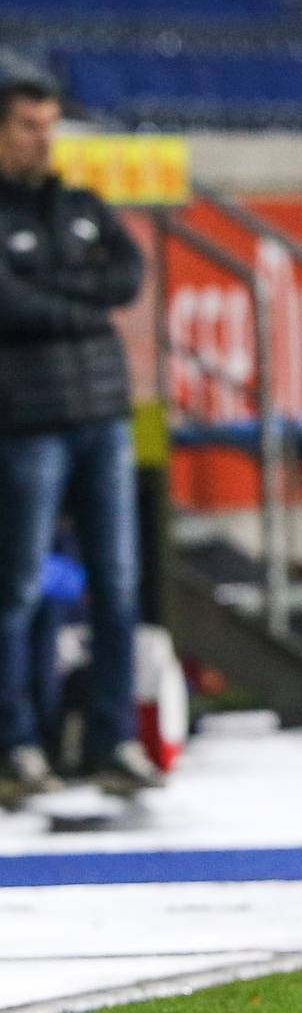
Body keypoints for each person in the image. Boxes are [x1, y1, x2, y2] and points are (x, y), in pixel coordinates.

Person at [0, 76, 162, 808]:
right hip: (26, 421)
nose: (44, 137)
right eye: (30, 125)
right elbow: (9, 300)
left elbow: (128, 274)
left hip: (104, 415)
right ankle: (17, 746)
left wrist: (54, 293)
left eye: (50, 123)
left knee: (119, 585)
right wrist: (81, 293)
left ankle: (111, 740)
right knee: (18, 589)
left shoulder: (80, 204)